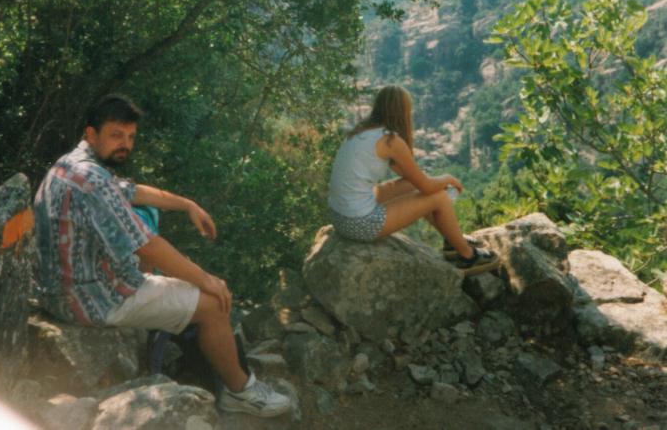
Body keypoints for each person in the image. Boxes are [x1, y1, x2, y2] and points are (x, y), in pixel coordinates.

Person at [33, 93, 291, 418]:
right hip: (93, 299)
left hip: (59, 290)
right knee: (214, 304)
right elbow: (148, 246)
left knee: (153, 230)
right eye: (116, 135)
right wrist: (207, 280)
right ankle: (241, 392)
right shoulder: (91, 180)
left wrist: (187, 205)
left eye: (131, 137)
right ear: (91, 134)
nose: (125, 144)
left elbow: (132, 191)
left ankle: (183, 344)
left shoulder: (71, 165)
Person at [327, 85, 499, 275]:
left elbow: (410, 177)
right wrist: (448, 178)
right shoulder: (390, 140)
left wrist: (433, 181)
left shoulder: (361, 131)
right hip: (359, 224)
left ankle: (452, 240)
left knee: (412, 185)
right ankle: (469, 257)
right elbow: (427, 187)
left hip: (340, 217)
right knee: (439, 198)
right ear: (403, 111)